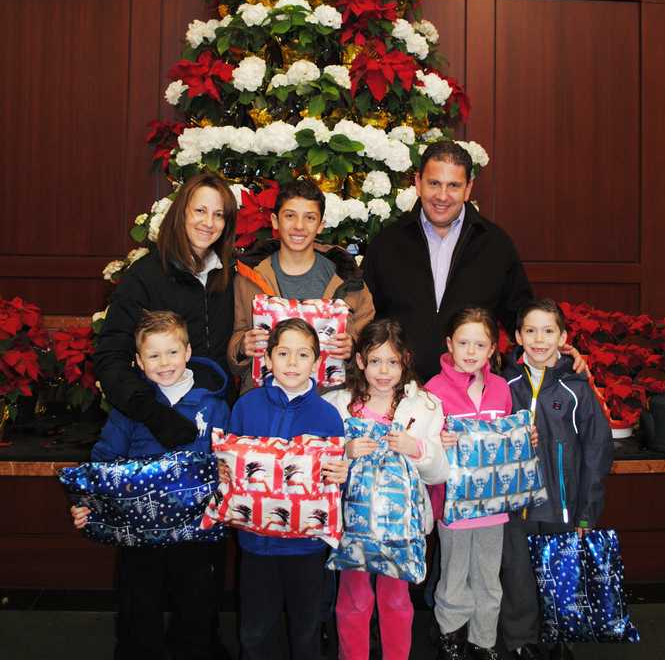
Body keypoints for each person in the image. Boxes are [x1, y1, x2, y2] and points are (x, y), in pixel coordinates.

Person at [71, 310, 231, 660]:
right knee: (137, 605)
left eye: (172, 352)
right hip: (138, 530)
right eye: (153, 355)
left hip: (196, 530)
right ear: (139, 362)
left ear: (188, 352)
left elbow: (230, 459)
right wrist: (86, 501)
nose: (165, 363)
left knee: (197, 606)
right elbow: (105, 459)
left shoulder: (215, 405)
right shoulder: (131, 409)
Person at [323, 319, 449, 660]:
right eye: (375, 361)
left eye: (392, 362)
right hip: (353, 526)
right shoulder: (336, 404)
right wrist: (345, 452)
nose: (383, 371)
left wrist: (415, 447)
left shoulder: (424, 406)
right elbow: (319, 464)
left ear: (405, 361)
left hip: (402, 529)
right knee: (354, 600)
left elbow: (439, 472)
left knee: (396, 600)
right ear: (360, 361)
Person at [228, 318, 349, 660]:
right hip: (256, 544)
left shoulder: (328, 415)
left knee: (306, 628)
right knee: (254, 630)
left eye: (302, 354)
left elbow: (333, 480)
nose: (293, 363)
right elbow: (231, 469)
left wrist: (341, 473)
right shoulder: (246, 407)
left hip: (307, 547)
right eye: (283, 353)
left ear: (317, 361)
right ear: (266, 359)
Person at [362, 141, 532, 383]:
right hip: (397, 390)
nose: (442, 196)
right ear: (418, 183)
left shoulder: (496, 245)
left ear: (468, 188)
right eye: (434, 184)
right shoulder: (386, 243)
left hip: (472, 396)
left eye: (453, 185)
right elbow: (365, 317)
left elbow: (521, 314)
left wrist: (553, 346)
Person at [500, 299, 613, 660]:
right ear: (518, 336)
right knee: (517, 577)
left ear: (562, 337)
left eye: (548, 331)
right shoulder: (506, 385)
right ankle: (520, 642)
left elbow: (597, 451)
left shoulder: (577, 389)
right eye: (530, 331)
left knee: (560, 576)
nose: (538, 339)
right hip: (516, 506)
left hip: (562, 506)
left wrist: (587, 510)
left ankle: (556, 640)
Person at [94, 172, 237, 449]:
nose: (209, 222)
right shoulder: (145, 276)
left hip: (215, 422)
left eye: (219, 214)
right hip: (154, 426)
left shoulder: (231, 276)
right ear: (181, 213)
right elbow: (110, 356)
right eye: (200, 210)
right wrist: (154, 415)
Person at [424, 308, 512, 660]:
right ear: (449, 344)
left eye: (480, 344)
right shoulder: (434, 389)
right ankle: (450, 634)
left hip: (493, 505)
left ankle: (483, 639)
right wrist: (437, 442)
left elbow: (510, 444)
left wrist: (524, 440)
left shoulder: (502, 389)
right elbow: (422, 447)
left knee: (489, 577)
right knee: (454, 573)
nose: (471, 351)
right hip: (454, 504)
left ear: (492, 349)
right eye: (464, 342)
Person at [227, 179, 375, 384]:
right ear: (275, 221)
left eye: (310, 218)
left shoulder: (348, 280)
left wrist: (353, 348)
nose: (299, 226)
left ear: (321, 225)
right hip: (265, 397)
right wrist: (242, 347)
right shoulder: (248, 277)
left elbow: (371, 344)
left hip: (328, 398)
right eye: (290, 216)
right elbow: (233, 342)